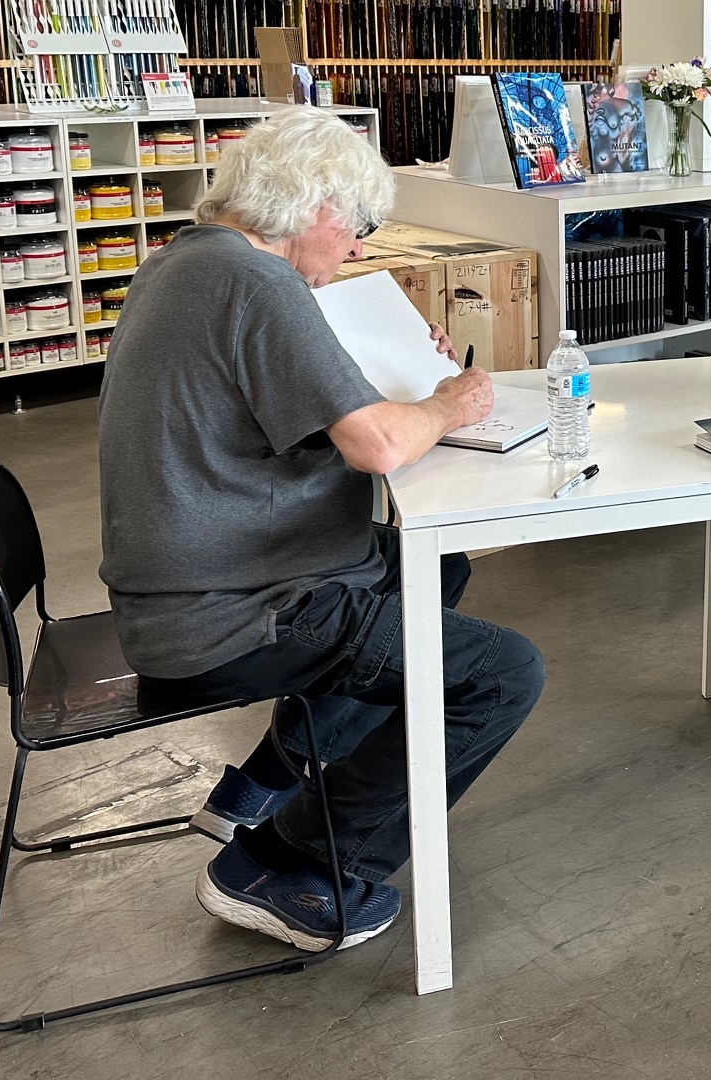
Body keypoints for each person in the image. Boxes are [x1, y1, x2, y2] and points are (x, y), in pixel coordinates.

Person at [99, 107, 545, 951]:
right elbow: (377, 447)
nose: (361, 249)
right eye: (360, 227)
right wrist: (444, 399)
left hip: (190, 579)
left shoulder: (187, 265)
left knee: (429, 571)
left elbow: (267, 396)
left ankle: (272, 776)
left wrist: (397, 367)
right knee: (501, 673)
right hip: (226, 612)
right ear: (316, 207)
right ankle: (287, 863)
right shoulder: (255, 283)